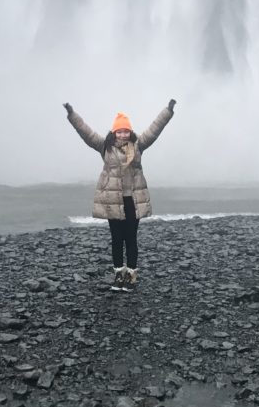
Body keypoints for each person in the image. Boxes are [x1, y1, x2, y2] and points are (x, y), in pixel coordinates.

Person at [63, 100, 176, 290]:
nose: (123, 134)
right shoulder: (105, 146)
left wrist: (168, 111)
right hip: (112, 202)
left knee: (131, 239)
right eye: (119, 131)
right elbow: (86, 132)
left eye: (126, 131)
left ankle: (131, 275)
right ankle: (118, 276)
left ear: (130, 132)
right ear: (114, 132)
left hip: (132, 201)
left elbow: (154, 129)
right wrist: (72, 114)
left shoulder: (138, 145)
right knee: (116, 240)